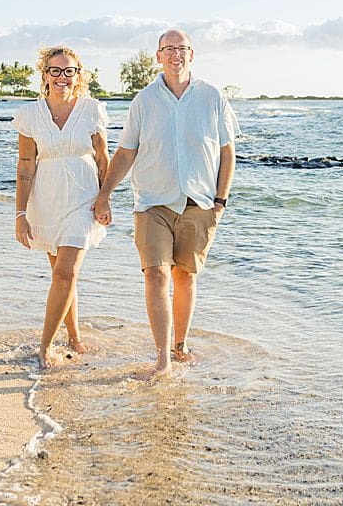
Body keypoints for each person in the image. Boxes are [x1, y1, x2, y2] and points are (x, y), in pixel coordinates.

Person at [94, 29, 237, 377]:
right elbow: (127, 151)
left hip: (199, 203)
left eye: (182, 48)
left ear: (192, 54)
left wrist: (220, 201)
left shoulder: (212, 97)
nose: (176, 54)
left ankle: (180, 344)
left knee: (184, 276)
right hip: (153, 203)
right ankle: (163, 359)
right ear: (158, 56)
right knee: (156, 274)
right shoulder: (144, 100)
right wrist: (105, 194)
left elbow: (226, 150)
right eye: (168, 49)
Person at [13, 45, 110, 368]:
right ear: (45, 75)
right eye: (55, 70)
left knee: (66, 272)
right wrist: (20, 214)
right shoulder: (30, 114)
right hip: (47, 200)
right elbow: (26, 165)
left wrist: (105, 197)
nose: (62, 77)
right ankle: (75, 337)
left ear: (78, 75)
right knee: (61, 275)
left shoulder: (92, 110)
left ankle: (45, 348)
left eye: (69, 71)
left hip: (84, 200)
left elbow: (102, 159)